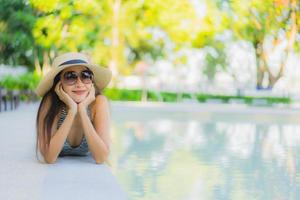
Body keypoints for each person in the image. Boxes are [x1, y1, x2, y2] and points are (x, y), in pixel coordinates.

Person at [35, 52, 112, 164]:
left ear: (92, 81)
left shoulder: (98, 103)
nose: (80, 84)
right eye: (70, 77)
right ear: (59, 83)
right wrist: (72, 111)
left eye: (85, 75)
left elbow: (101, 158)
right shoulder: (51, 103)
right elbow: (49, 158)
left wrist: (82, 110)